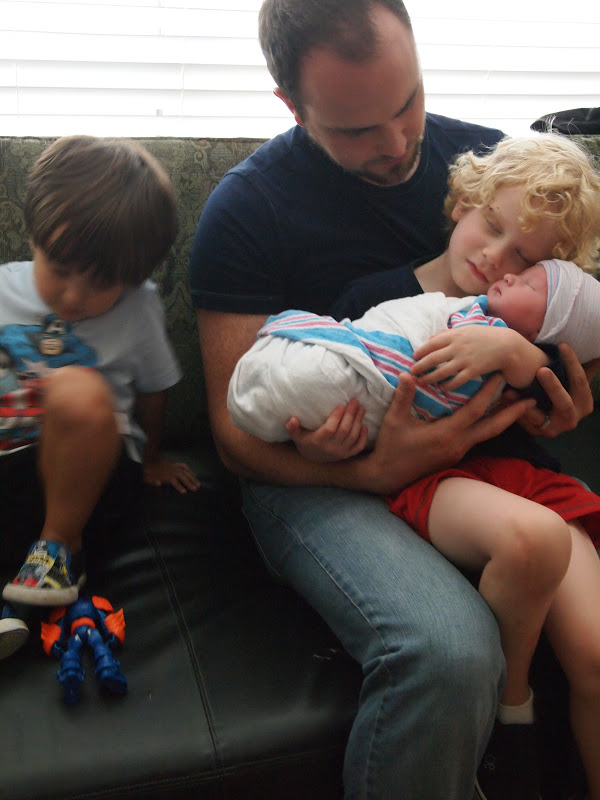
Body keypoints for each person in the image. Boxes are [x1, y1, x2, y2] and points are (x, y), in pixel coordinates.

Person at [189, 2, 597, 798]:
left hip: (487, 459)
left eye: (408, 101)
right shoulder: (247, 210)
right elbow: (238, 435)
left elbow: (570, 330)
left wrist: (562, 398)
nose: (399, 142)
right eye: (356, 129)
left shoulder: (493, 169)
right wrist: (372, 470)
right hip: (316, 475)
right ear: (292, 106)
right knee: (449, 651)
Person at [0, 135, 199, 659]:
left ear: (133, 278)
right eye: (60, 270)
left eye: (101, 283)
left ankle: (58, 550)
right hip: (12, 470)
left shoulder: (139, 308)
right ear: (34, 237)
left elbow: (153, 389)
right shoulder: (3, 289)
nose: (73, 297)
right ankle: (17, 602)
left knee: (76, 388)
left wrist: (151, 459)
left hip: (94, 481)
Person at [226, 258, 600, 450]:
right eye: (491, 223)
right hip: (369, 413)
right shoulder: (378, 291)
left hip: (429, 452)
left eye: (526, 271)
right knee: (314, 379)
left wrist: (520, 354)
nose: (505, 269)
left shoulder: (509, 347)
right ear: (464, 205)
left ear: (542, 333)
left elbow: (554, 376)